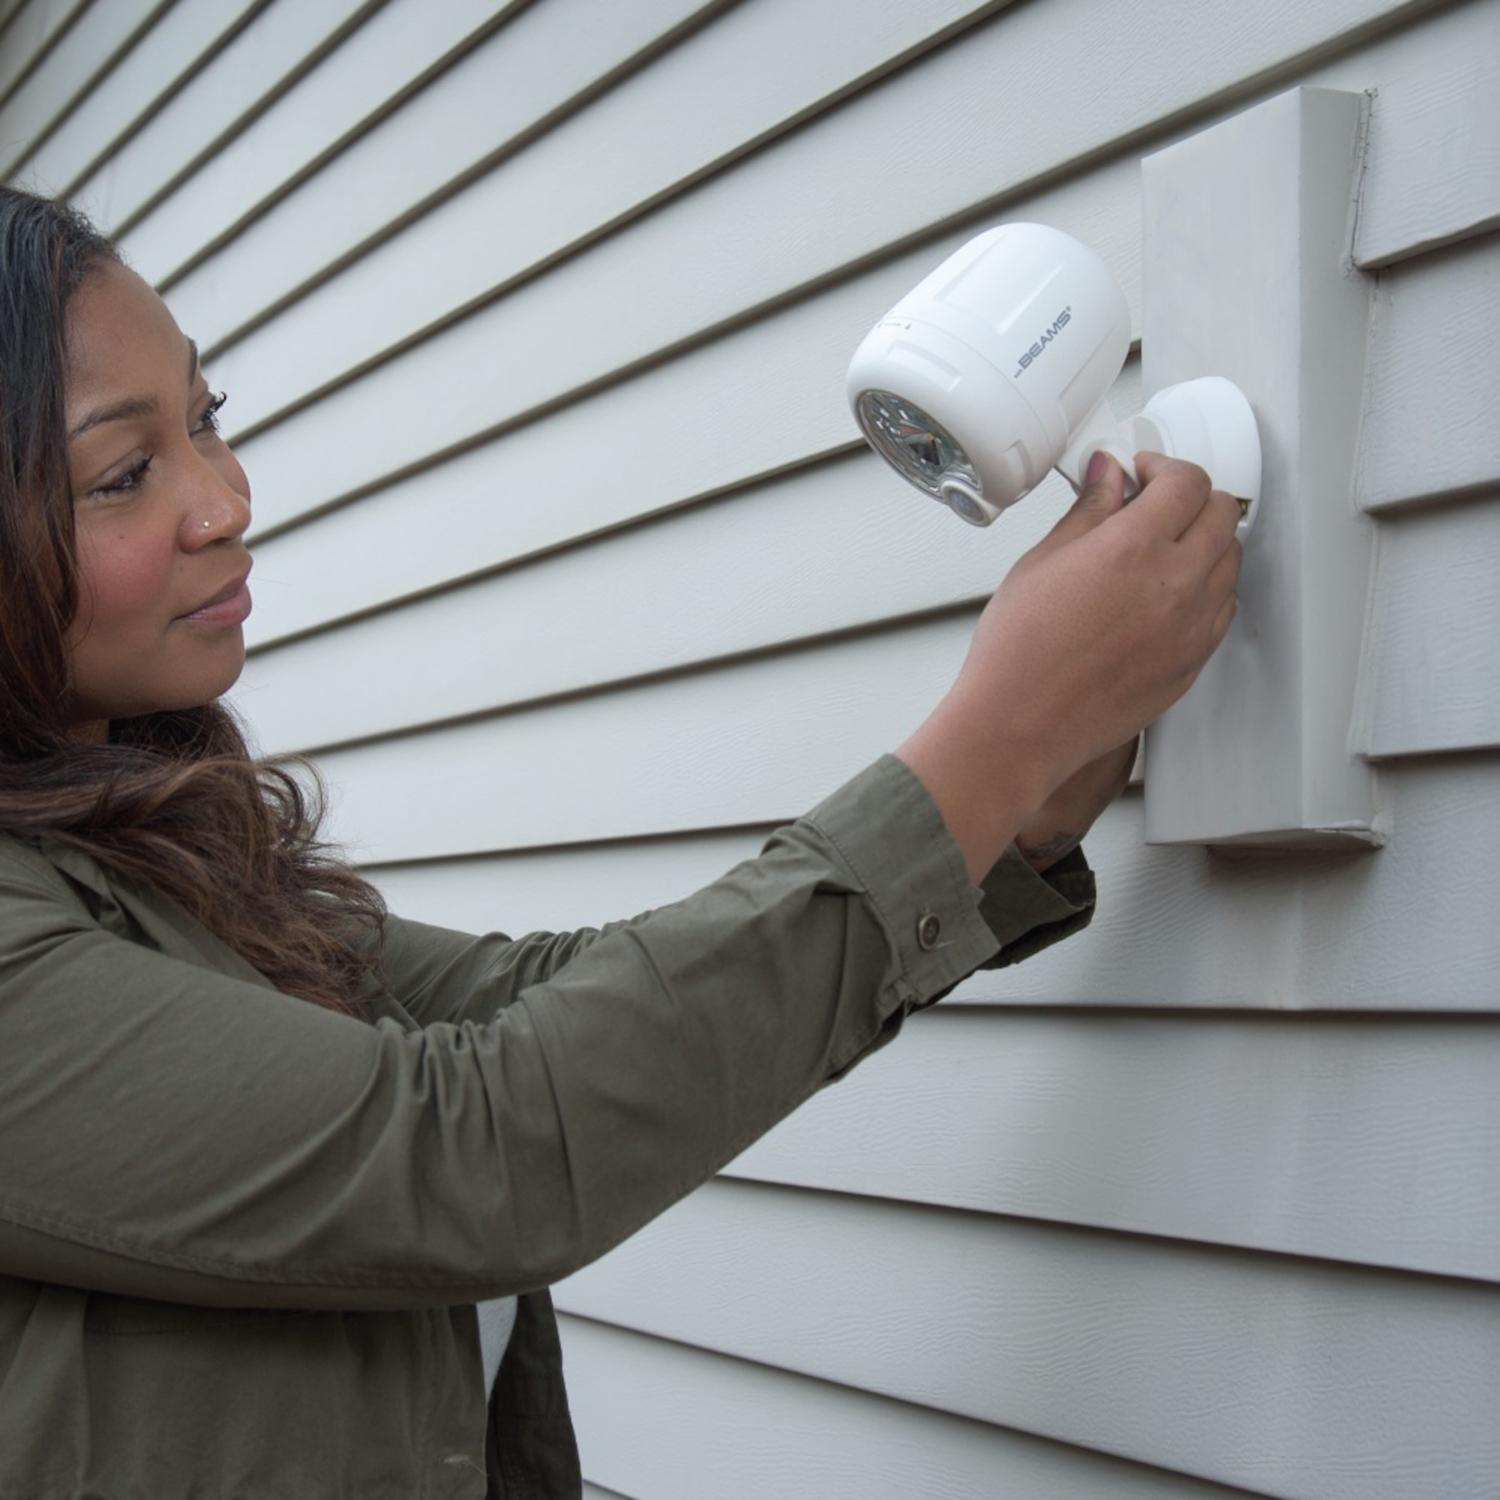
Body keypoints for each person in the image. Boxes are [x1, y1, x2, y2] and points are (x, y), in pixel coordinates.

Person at [0, 185, 1240, 1498]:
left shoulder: (153, 862)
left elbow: (529, 1005)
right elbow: (469, 1150)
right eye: (126, 473)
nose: (224, 500)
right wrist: (991, 739)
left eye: (207, 420)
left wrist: (1015, 802)